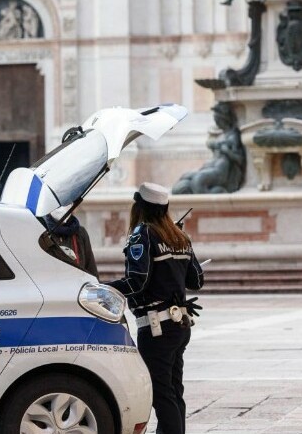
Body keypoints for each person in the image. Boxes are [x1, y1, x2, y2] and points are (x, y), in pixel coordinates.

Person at [107, 183, 204, 434]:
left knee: (161, 394)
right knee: (173, 390)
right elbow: (196, 281)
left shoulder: (143, 234)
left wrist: (101, 287)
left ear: (139, 207)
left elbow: (136, 282)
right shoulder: (180, 237)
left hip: (157, 327)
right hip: (180, 325)